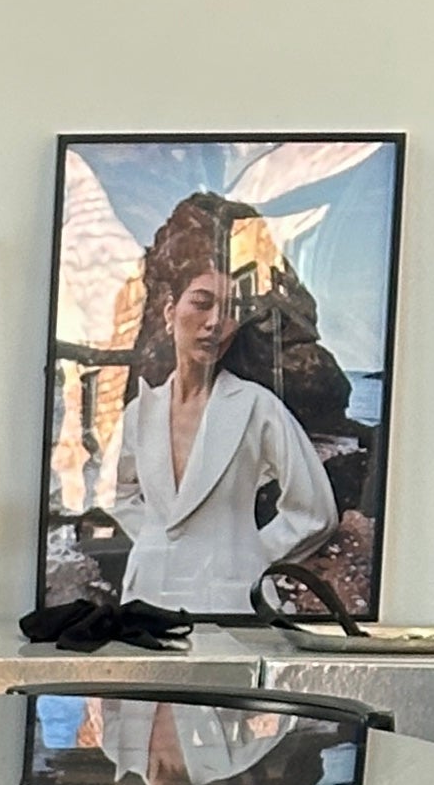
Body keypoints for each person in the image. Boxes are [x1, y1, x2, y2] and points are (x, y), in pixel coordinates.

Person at [110, 239, 338, 619]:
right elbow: (119, 492)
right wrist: (155, 541)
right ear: (170, 312)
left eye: (230, 312)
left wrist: (248, 554)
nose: (215, 322)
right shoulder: (140, 412)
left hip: (230, 602)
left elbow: (314, 511)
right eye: (202, 303)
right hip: (146, 602)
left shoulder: (257, 406)